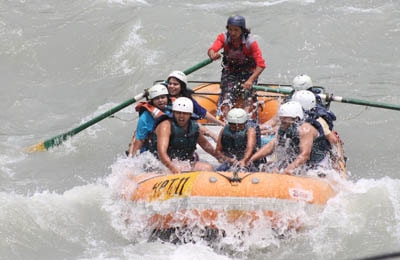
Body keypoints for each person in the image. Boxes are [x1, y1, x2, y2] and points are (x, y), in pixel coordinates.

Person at [248, 101, 331, 175]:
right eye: (281, 119)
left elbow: (305, 155)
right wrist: (251, 159)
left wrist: (288, 170)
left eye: (285, 119)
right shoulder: (285, 126)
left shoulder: (305, 130)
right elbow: (272, 145)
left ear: (296, 118)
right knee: (267, 167)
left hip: (317, 162)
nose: (281, 122)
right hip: (297, 157)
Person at [207, 15, 266, 119]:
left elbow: (261, 65)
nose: (232, 33)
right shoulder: (223, 37)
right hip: (230, 72)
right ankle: (226, 123)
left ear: (242, 30)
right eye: (230, 29)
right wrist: (212, 54)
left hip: (248, 73)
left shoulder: (250, 42)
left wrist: (250, 80)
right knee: (227, 99)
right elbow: (212, 49)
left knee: (248, 99)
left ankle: (246, 121)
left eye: (236, 30)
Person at [155, 97, 219, 174]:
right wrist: (172, 167)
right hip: (165, 163)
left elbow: (207, 147)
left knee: (207, 168)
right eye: (178, 112)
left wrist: (223, 159)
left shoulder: (193, 127)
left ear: (190, 114)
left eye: (185, 113)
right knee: (182, 169)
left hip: (186, 162)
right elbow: (162, 153)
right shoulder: (165, 126)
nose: (181, 116)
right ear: (174, 112)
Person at [166, 70, 223, 141]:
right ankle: (211, 135)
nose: (171, 86)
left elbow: (202, 112)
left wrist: (221, 123)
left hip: (182, 127)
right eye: (170, 83)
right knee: (191, 123)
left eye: (175, 84)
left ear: (182, 86)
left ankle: (212, 136)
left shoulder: (187, 99)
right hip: (167, 127)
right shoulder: (163, 97)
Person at [126, 84, 170, 157]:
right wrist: (133, 160)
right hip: (151, 149)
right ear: (152, 101)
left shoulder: (172, 110)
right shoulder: (145, 117)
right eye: (157, 98)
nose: (160, 100)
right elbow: (140, 140)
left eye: (163, 97)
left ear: (167, 98)